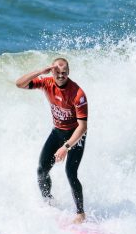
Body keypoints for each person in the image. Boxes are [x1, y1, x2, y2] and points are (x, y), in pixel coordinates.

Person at [15, 57, 88, 224]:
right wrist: (41, 71)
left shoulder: (78, 94)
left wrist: (66, 147)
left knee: (71, 173)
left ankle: (80, 214)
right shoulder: (47, 83)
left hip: (75, 135)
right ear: (52, 71)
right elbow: (19, 84)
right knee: (41, 170)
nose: (61, 76)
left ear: (68, 72)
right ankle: (48, 202)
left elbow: (83, 127)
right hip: (57, 132)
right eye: (57, 72)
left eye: (64, 73)